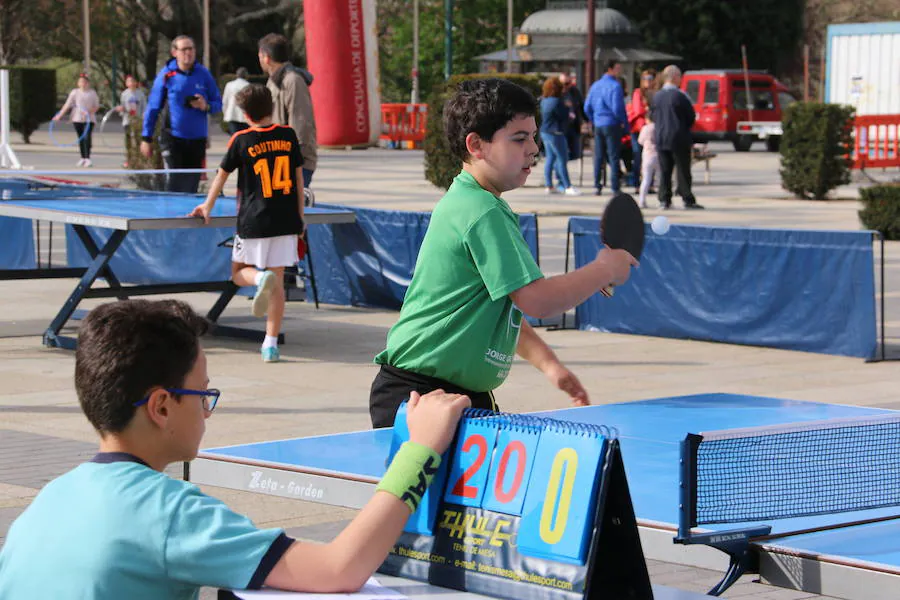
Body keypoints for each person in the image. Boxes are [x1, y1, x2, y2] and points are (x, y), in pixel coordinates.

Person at [0, 298, 470, 598]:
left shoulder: (51, 499)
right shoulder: (169, 513)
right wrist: (421, 448)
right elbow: (337, 569)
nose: (207, 411)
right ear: (162, 407)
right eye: (204, 394)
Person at [368, 78, 639, 429]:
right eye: (519, 138)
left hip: (459, 396)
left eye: (534, 136)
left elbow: (500, 313)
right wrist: (604, 268)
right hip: (421, 396)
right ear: (476, 145)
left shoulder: (474, 202)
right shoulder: (482, 211)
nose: (534, 148)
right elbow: (538, 301)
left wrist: (549, 365)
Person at [189, 85, 302, 363]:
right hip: (286, 221)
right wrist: (300, 218)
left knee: (239, 272)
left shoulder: (241, 139)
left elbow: (221, 176)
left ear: (245, 113)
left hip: (254, 220)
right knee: (278, 285)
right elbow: (298, 181)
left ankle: (258, 278)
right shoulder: (288, 136)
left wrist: (207, 205)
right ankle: (270, 344)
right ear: (271, 107)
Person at [141, 35, 222, 193]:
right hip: (173, 137)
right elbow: (153, 107)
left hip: (197, 140)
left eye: (191, 49)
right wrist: (146, 138)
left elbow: (218, 104)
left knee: (191, 186)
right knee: (175, 183)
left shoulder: (203, 74)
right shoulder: (167, 75)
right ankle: (171, 216)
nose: (188, 53)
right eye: (184, 49)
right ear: (174, 52)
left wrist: (205, 106)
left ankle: (187, 217)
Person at [258, 33, 318, 188]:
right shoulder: (274, 81)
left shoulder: (292, 81)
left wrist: (292, 159)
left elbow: (301, 125)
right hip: (278, 158)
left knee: (293, 210)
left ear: (266, 57)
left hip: (295, 162)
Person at [651, 65, 704, 210]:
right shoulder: (681, 96)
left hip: (661, 137)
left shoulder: (657, 96)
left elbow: (653, 116)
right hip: (679, 137)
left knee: (665, 170)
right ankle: (687, 198)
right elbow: (690, 117)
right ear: (674, 77)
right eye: (679, 77)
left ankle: (664, 199)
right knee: (683, 169)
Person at [584, 60, 628, 196]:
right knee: (613, 155)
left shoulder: (595, 85)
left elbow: (587, 107)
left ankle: (597, 185)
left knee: (598, 155)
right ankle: (615, 186)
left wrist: (593, 119)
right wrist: (623, 122)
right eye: (617, 68)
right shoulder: (615, 86)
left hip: (598, 123)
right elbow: (617, 108)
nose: (619, 71)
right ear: (610, 69)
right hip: (612, 123)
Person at [540, 76, 581, 196]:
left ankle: (549, 185)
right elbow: (564, 116)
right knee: (562, 159)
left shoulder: (544, 100)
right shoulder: (558, 101)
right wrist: (568, 107)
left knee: (550, 158)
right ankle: (567, 185)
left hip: (545, 131)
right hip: (556, 133)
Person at [53, 73, 100, 167]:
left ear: (87, 83)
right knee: (81, 138)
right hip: (77, 118)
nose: (82, 83)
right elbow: (67, 105)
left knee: (87, 137)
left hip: (89, 119)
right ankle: (82, 158)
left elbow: (96, 106)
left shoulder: (92, 93)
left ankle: (88, 158)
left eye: (84, 82)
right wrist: (59, 115)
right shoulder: (75, 92)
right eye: (80, 82)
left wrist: (88, 112)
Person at [627, 69, 656, 190]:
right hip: (638, 129)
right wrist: (648, 109)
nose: (647, 81)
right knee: (637, 155)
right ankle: (636, 182)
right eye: (645, 79)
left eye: (650, 79)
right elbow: (638, 110)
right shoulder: (638, 93)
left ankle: (650, 183)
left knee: (652, 156)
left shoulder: (655, 93)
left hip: (651, 128)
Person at [115, 74, 147, 166]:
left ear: (136, 83)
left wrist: (144, 117)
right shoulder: (124, 94)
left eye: (133, 81)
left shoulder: (141, 94)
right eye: (129, 81)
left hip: (138, 120)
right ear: (126, 83)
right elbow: (122, 106)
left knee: (138, 140)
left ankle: (139, 159)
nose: (131, 83)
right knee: (128, 140)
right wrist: (121, 110)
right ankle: (129, 159)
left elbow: (144, 107)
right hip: (127, 120)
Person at [558, 73, 585, 161]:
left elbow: (581, 107)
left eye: (568, 83)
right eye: (564, 83)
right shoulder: (555, 93)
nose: (566, 86)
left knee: (575, 154)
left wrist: (587, 120)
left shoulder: (575, 92)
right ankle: (560, 172)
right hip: (560, 127)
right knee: (560, 155)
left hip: (573, 125)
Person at [222, 67, 251, 135]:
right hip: (244, 117)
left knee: (235, 138)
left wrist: (225, 114)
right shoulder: (248, 85)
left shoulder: (229, 85)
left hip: (232, 115)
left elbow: (225, 101)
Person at [637, 114, 658, 209]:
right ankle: (663, 200)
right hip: (658, 155)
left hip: (647, 155)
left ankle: (642, 200)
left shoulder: (645, 128)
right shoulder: (659, 127)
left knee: (646, 179)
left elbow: (640, 141)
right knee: (661, 179)